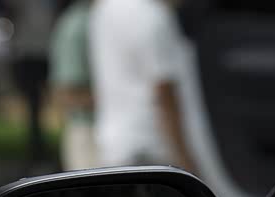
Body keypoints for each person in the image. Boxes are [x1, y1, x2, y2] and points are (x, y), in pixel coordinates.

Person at [90, 0, 197, 172]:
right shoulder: (152, 16)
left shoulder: (105, 8)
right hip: (152, 148)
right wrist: (187, 163)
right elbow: (164, 93)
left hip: (115, 146)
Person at [3, 0, 57, 165]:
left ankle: (41, 150)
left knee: (53, 100)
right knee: (33, 105)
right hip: (27, 53)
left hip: (46, 51)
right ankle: (36, 149)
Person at [49, 0, 98, 171]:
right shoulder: (77, 25)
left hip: (98, 132)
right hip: (87, 133)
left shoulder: (94, 19)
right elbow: (66, 93)